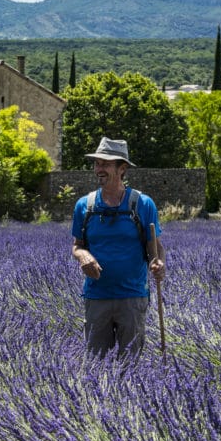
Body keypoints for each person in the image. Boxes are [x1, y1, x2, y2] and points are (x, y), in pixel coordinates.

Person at [71, 137, 165, 357]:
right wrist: (84, 257)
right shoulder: (84, 205)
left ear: (122, 168)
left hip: (132, 297)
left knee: (131, 366)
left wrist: (159, 263)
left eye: (105, 163)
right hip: (96, 297)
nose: (98, 169)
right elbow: (77, 246)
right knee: (96, 366)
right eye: (96, 163)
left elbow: (155, 247)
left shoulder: (142, 204)